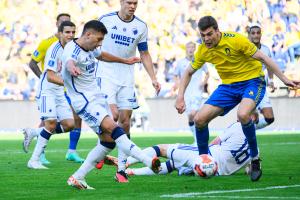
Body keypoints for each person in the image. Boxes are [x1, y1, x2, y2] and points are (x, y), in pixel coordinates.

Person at [175, 16, 299, 182]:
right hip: (228, 87)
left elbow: (264, 58)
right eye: (203, 35)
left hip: (252, 81)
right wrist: (180, 96)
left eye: (209, 34)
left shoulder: (236, 40)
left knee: (243, 115)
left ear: (217, 31)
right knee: (199, 119)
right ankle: (203, 159)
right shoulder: (203, 50)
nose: (206, 39)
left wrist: (283, 78)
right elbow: (188, 72)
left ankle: (254, 158)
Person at [62, 20, 161, 190]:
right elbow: (69, 61)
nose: (99, 43)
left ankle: (78, 177)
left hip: (97, 99)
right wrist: (72, 68)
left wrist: (125, 61)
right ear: (88, 35)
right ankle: (146, 160)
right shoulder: (71, 49)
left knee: (108, 142)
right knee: (115, 129)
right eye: (98, 39)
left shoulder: (90, 48)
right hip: (84, 102)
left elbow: (102, 55)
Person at [96, 0, 161, 182]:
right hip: (106, 73)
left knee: (125, 122)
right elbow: (95, 47)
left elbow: (144, 53)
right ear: (121, 2)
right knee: (113, 115)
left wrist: (153, 78)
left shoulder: (140, 26)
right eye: (129, 2)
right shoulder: (106, 20)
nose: (132, 6)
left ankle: (121, 169)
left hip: (126, 76)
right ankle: (101, 147)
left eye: (135, 3)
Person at [23, 13, 85, 164]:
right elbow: (50, 76)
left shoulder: (72, 47)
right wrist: (69, 83)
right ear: (59, 31)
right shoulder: (53, 48)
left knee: (70, 124)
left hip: (60, 91)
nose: (70, 35)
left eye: (73, 32)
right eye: (67, 32)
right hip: (48, 91)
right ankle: (35, 160)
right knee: (49, 124)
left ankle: (34, 132)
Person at [124, 120, 256, 177]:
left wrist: (200, 152)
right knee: (174, 164)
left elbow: (216, 141)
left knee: (161, 149)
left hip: (207, 157)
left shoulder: (238, 126)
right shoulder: (256, 151)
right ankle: (132, 172)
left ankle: (126, 162)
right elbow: (251, 169)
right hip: (214, 172)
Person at [173, 41, 209, 145]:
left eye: (193, 47)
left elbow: (207, 73)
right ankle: (196, 138)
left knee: (194, 114)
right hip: (186, 94)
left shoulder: (200, 60)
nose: (191, 49)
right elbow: (175, 75)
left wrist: (203, 83)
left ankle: (198, 140)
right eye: (189, 47)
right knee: (190, 116)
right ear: (186, 49)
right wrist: (178, 84)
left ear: (195, 49)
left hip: (197, 93)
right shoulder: (180, 63)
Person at [248, 23, 275, 129]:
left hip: (261, 87)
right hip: (248, 87)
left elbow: (270, 66)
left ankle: (247, 130)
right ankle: (245, 135)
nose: (256, 35)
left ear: (261, 34)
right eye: (253, 33)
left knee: (270, 118)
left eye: (258, 33)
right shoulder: (245, 49)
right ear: (249, 35)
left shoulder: (266, 49)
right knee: (253, 117)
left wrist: (271, 80)